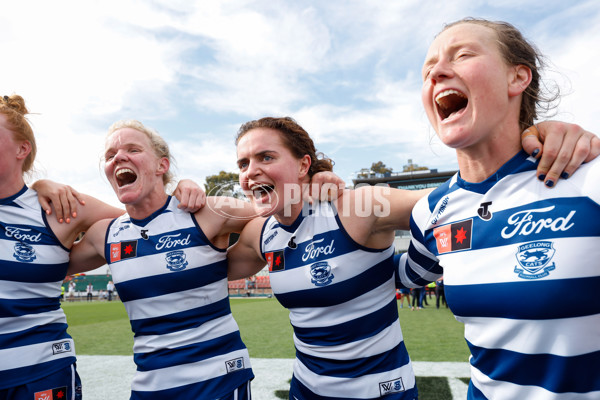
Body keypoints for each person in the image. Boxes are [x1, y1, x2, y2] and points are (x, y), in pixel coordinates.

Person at [225, 115, 594, 399]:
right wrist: (183, 200)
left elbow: (463, 205)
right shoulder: (262, 232)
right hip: (305, 389)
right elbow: (202, 265)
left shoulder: (356, 206)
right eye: (243, 164)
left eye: (265, 157)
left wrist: (537, 141)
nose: (250, 171)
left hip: (380, 391)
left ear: (304, 165)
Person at [395, 18, 600, 399]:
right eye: (428, 69)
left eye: (464, 55)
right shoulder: (432, 211)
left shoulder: (589, 179)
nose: (437, 72)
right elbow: (393, 276)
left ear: (518, 78)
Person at [0, 94, 204, 400]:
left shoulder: (58, 209)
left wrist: (181, 189)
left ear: (22, 149)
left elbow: (143, 221)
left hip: (39, 372)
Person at [67, 119, 260, 399]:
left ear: (162, 165)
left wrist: (319, 182)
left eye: (133, 149)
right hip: (149, 386)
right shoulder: (104, 234)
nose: (119, 157)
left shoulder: (206, 212)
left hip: (218, 381)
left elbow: (279, 217)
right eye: (110, 156)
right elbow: (47, 265)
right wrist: (43, 187)